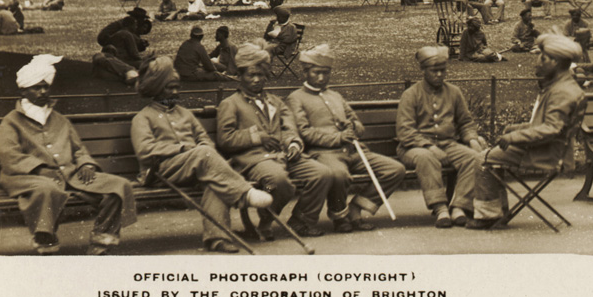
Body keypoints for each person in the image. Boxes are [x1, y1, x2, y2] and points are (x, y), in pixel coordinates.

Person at [0, 54, 137, 255]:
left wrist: (85, 164)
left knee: (118, 186)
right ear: (23, 90)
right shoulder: (11, 121)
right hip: (27, 178)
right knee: (46, 190)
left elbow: (78, 149)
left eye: (46, 86)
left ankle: (101, 241)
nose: (43, 91)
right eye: (37, 87)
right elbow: (10, 156)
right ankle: (46, 241)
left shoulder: (60, 120)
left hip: (70, 175)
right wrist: (39, 169)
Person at [131, 57, 272, 253]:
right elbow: (145, 151)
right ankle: (243, 194)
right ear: (156, 90)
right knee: (204, 155)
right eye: (169, 88)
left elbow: (205, 140)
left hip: (194, 166)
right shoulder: (143, 118)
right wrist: (182, 149)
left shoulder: (185, 114)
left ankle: (218, 239)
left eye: (176, 87)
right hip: (160, 171)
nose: (175, 92)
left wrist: (196, 150)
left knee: (218, 181)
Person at [468, 34, 587, 229]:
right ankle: (498, 211)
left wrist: (514, 136)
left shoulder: (561, 92)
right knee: (492, 157)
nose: (537, 62)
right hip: (549, 149)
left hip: (543, 154)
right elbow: (546, 125)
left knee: (482, 160)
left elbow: (551, 129)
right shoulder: (564, 87)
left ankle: (487, 215)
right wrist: (513, 129)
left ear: (555, 62)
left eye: (542, 58)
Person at [216, 44, 332, 239]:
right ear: (240, 76)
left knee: (322, 174)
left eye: (260, 75)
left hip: (284, 156)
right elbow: (225, 139)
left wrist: (293, 144)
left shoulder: (276, 102)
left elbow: (288, 128)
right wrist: (256, 136)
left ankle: (301, 220)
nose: (256, 80)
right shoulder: (230, 104)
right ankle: (267, 220)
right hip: (253, 160)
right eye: (250, 75)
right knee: (278, 181)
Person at [288, 45, 403, 233]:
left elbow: (356, 123)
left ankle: (355, 210)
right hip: (324, 154)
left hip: (353, 151)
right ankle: (340, 218)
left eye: (326, 73)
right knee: (339, 174)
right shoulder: (296, 98)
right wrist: (338, 137)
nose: (321, 78)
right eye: (317, 73)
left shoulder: (335, 96)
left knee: (394, 169)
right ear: (306, 72)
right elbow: (304, 132)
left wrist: (354, 127)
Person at [396, 46, 484, 228]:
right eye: (434, 71)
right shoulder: (411, 94)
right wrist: (429, 146)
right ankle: (440, 208)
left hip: (448, 145)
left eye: (442, 70)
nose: (439, 75)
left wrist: (472, 139)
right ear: (424, 71)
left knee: (474, 158)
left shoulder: (454, 92)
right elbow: (405, 131)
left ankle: (459, 206)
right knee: (426, 158)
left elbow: (465, 121)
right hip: (413, 148)